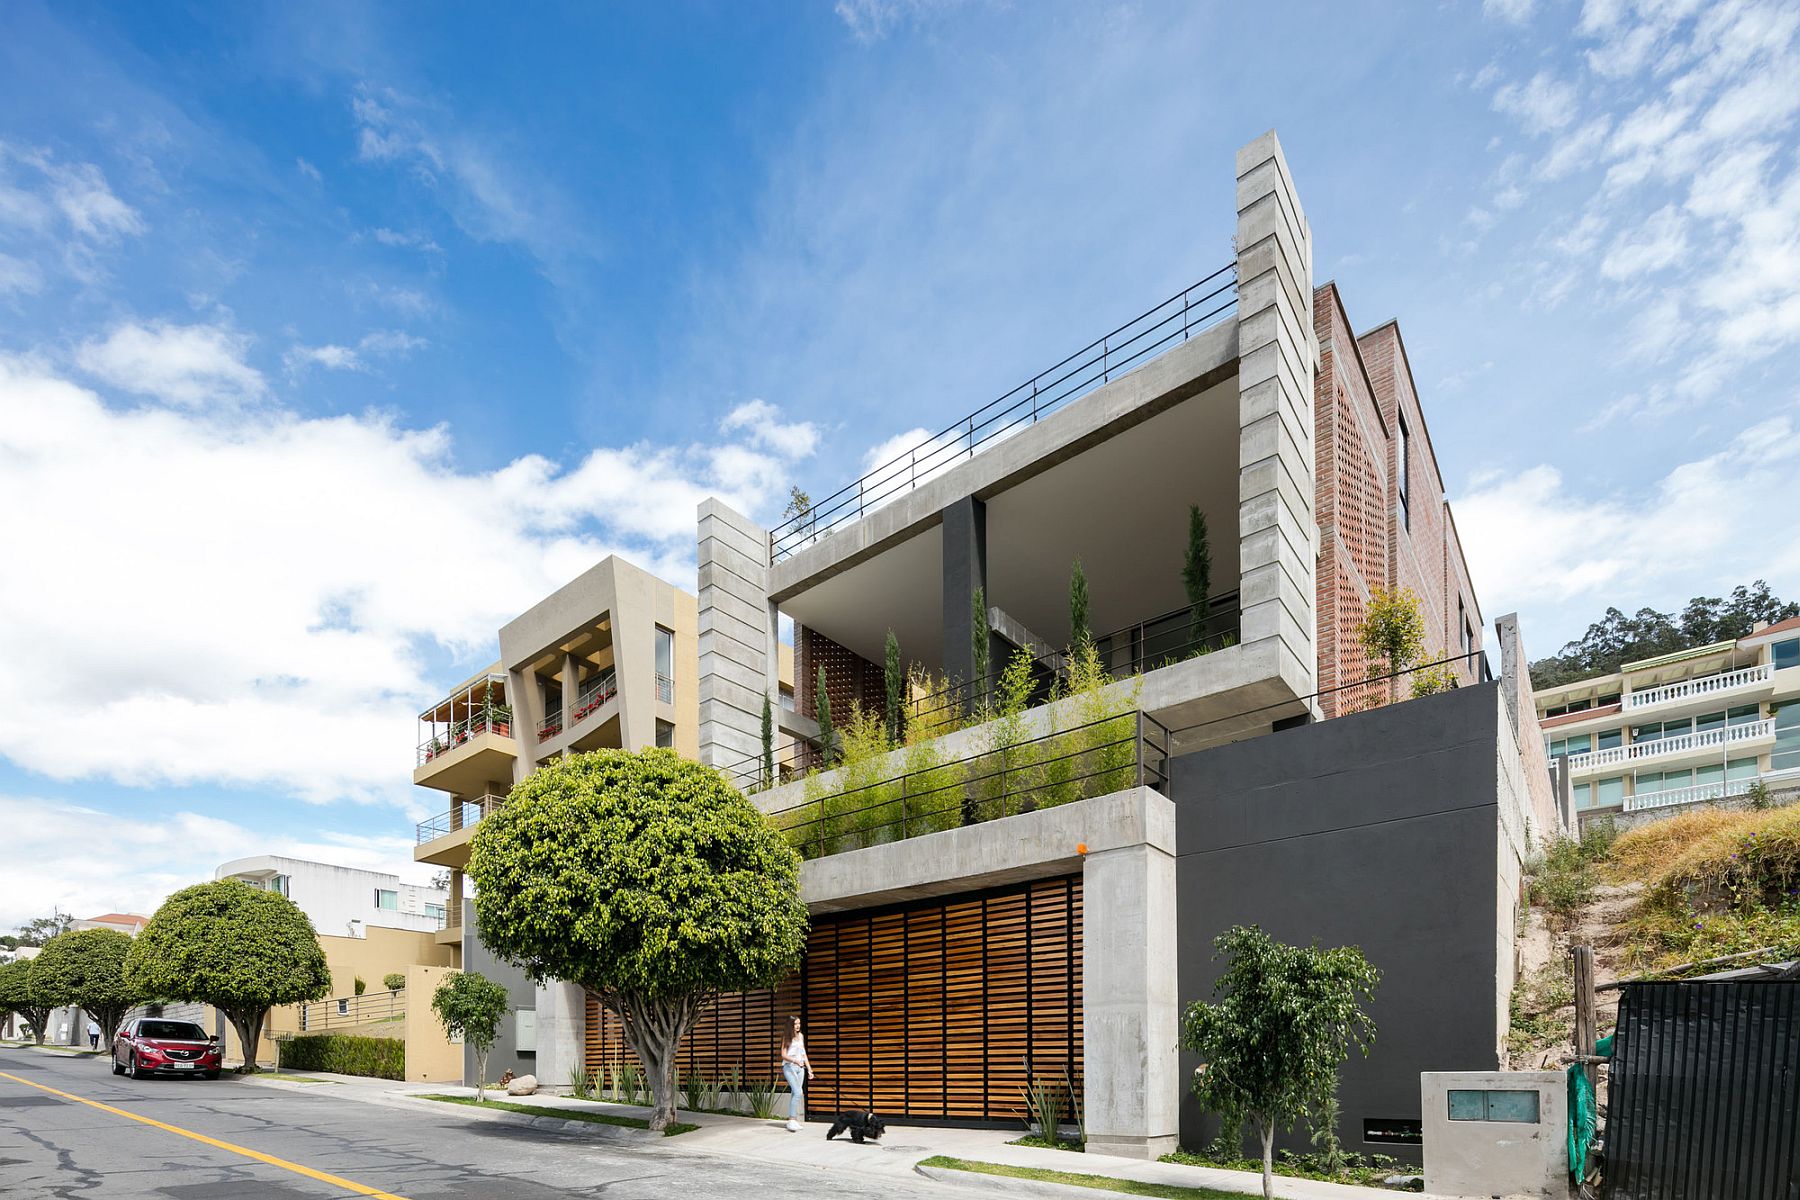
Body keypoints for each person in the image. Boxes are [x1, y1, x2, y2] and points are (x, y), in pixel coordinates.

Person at [780, 1015, 813, 1133]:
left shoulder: (801, 1036)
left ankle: (793, 1121)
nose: (798, 1026)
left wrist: (809, 1069)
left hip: (800, 1068)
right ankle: (791, 1120)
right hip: (789, 1067)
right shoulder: (787, 1037)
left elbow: (803, 1054)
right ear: (791, 1025)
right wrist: (795, 1061)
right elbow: (783, 1055)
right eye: (795, 1024)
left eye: (799, 1023)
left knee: (796, 1093)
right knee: (798, 1092)